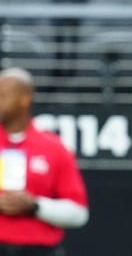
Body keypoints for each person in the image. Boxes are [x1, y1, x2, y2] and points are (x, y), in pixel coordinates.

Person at [0, 68, 89, 256]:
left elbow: (79, 213)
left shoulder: (54, 148)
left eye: (2, 95)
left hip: (38, 250)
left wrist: (35, 206)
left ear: (25, 99)